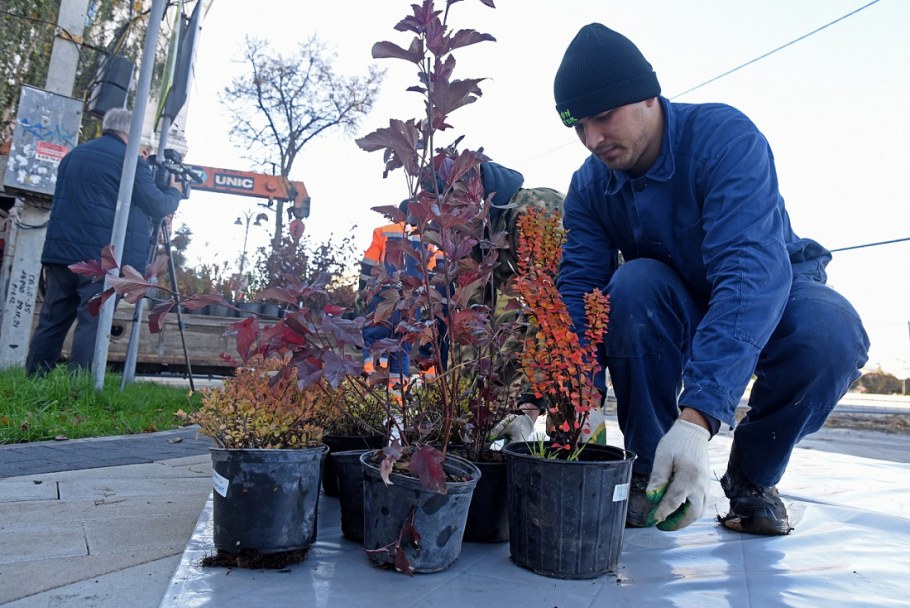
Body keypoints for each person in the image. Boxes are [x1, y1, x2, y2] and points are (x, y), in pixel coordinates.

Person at [552, 24, 869, 535]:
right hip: (674, 298)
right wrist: (578, 397)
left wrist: (698, 420)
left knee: (830, 334)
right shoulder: (590, 187)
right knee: (631, 287)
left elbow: (749, 272)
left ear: (647, 97)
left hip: (773, 289)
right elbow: (579, 292)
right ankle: (651, 469)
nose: (592, 140)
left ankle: (752, 477)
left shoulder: (724, 139)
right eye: (579, 127)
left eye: (603, 118)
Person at [26, 108, 184, 376]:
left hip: (61, 254)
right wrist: (174, 191)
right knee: (93, 321)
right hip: (100, 260)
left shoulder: (74, 155)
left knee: (52, 320)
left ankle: (35, 378)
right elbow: (156, 205)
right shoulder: (130, 161)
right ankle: (79, 386)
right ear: (131, 131)